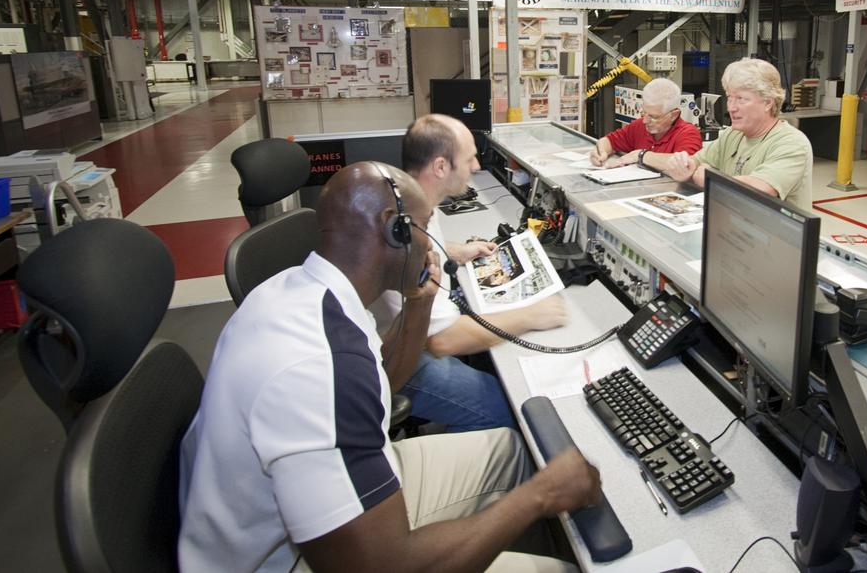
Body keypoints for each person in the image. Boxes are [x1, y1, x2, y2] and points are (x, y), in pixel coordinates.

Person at [179, 162, 599, 572]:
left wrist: (419, 302)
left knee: (510, 450)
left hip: (321, 506)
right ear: (393, 229)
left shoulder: (303, 291)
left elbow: (385, 384)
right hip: (294, 558)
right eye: (424, 229)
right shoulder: (320, 367)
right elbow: (384, 563)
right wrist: (540, 497)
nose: (432, 247)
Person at [368, 114, 568, 431]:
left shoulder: (408, 201)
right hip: (397, 361)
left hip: (404, 337)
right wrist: (532, 315)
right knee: (515, 413)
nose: (476, 166)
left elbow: (424, 247)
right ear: (440, 167)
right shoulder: (412, 231)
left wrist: (453, 250)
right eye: (469, 158)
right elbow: (443, 341)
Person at [665, 58, 813, 211]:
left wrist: (708, 178)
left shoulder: (792, 143)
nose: (731, 108)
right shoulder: (733, 134)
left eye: (741, 99)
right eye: (730, 98)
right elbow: (695, 162)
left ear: (768, 103)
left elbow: (760, 188)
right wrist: (683, 166)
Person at [588, 77, 702, 174]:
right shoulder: (639, 126)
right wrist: (601, 152)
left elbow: (685, 165)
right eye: (644, 113)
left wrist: (641, 155)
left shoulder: (688, 134)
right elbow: (609, 141)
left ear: (674, 115)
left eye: (653, 117)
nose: (645, 121)